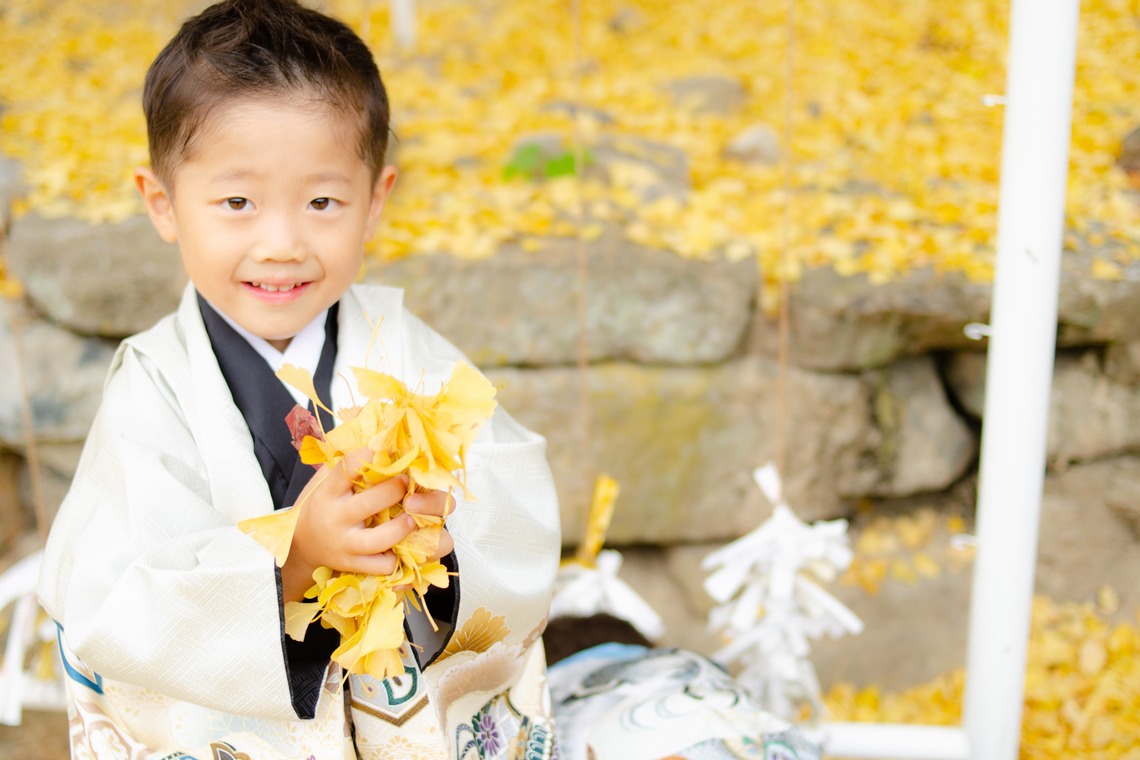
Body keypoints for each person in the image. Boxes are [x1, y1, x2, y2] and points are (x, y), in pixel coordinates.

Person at [35, 1, 561, 758]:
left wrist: (441, 535)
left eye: (322, 202)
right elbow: (114, 594)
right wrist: (292, 559)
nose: (281, 244)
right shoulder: (154, 385)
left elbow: (516, 511)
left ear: (375, 202)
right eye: (237, 202)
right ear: (163, 204)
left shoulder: (405, 350)